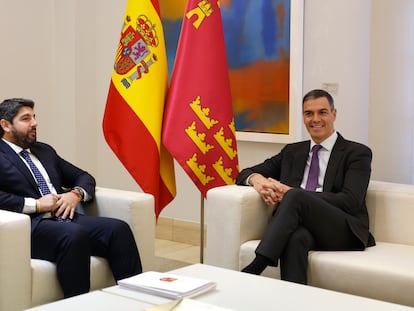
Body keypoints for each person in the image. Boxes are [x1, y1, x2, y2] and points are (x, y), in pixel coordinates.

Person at [0, 98, 142, 298]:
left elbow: (83, 176)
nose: (34, 123)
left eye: (34, 117)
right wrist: (36, 205)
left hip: (65, 219)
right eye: (26, 118)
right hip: (29, 227)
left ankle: (137, 299)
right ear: (5, 125)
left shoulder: (44, 151)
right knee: (73, 234)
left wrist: (75, 194)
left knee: (118, 229)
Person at [237, 89, 375, 284]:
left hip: (343, 228)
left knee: (294, 196)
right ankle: (294, 301)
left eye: (322, 112)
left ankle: (257, 265)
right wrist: (258, 181)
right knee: (296, 238)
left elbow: (351, 201)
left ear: (334, 114)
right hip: (303, 226)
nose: (315, 119)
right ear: (303, 117)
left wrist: (292, 193)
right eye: (309, 113)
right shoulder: (293, 152)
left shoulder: (357, 153)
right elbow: (244, 173)